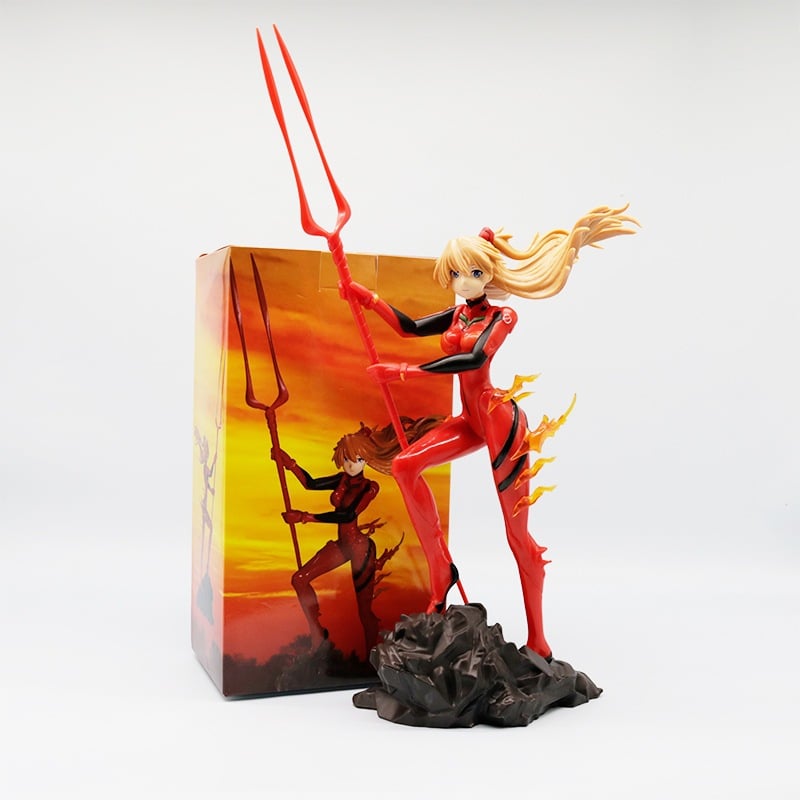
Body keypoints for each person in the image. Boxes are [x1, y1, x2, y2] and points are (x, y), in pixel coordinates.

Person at [344, 205, 637, 659]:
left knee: (517, 536)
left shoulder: (502, 317)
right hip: (469, 421)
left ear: (490, 274)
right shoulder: (457, 315)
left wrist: (403, 372)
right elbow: (409, 327)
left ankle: (538, 638)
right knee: (404, 466)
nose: (464, 282)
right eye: (456, 273)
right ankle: (442, 573)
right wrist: (369, 299)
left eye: (474, 273)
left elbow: (474, 359)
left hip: (499, 423)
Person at [275, 417, 440, 654]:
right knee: (299, 579)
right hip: (342, 545)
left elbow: (347, 515)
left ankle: (372, 655)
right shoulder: (342, 479)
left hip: (360, 549)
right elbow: (310, 483)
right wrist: (289, 463)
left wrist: (305, 517)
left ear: (366, 459)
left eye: (358, 459)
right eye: (347, 458)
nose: (352, 464)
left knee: (363, 611)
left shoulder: (369, 487)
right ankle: (317, 633)